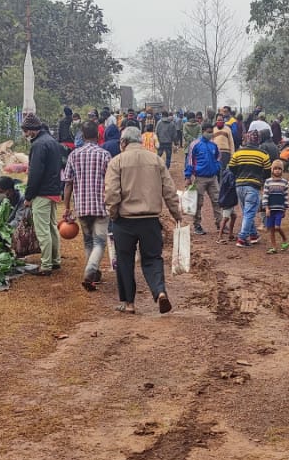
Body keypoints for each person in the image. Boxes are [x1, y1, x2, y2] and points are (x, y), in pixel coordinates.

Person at [104, 127, 181, 314]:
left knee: (124, 261)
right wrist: (177, 215)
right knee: (153, 258)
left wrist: (112, 214)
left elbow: (112, 193)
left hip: (124, 221)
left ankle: (129, 304)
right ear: (140, 140)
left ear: (123, 142)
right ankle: (160, 292)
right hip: (150, 220)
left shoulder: (117, 162)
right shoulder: (156, 160)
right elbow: (169, 190)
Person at [64, 121, 112, 291]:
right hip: (101, 206)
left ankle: (93, 273)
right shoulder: (105, 155)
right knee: (99, 241)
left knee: (88, 241)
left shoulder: (74, 155)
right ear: (98, 135)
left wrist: (67, 207)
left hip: (82, 206)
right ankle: (90, 271)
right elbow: (111, 182)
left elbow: (68, 183)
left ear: (82, 136)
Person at [21, 112, 65, 275]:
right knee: (52, 227)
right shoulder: (52, 141)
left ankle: (46, 265)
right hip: (53, 190)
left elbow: (35, 173)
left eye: (26, 131)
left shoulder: (39, 145)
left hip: (42, 192)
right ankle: (55, 260)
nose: (25, 135)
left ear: (32, 130)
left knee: (42, 230)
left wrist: (28, 196)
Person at [230, 131, 272, 248]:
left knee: (247, 212)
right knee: (249, 213)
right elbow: (268, 171)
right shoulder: (263, 154)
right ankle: (242, 238)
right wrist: (261, 180)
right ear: (259, 140)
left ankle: (253, 235)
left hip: (239, 185)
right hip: (253, 186)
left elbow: (231, 167)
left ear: (247, 139)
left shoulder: (238, 152)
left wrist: (239, 175)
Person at [185, 125, 223, 235]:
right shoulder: (195, 145)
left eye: (211, 132)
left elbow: (218, 158)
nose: (210, 134)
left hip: (213, 178)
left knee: (217, 201)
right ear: (203, 131)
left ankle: (220, 224)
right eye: (208, 131)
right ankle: (197, 225)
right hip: (200, 178)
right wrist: (188, 176)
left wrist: (216, 167)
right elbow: (190, 161)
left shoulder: (213, 145)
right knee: (198, 202)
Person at [262, 160, 289, 253]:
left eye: (279, 169)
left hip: (279, 209)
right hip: (270, 209)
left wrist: (285, 209)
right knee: (271, 229)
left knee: (277, 227)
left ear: (282, 170)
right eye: (275, 168)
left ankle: (285, 239)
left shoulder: (284, 182)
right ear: (272, 170)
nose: (277, 170)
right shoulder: (268, 182)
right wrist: (266, 208)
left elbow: (286, 196)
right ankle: (274, 247)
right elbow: (265, 195)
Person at [217, 166, 238, 243]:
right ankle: (219, 237)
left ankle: (230, 235)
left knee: (233, 216)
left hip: (228, 199)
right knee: (225, 218)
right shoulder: (231, 174)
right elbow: (233, 185)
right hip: (228, 200)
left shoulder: (227, 173)